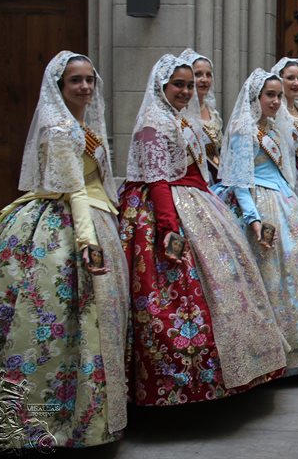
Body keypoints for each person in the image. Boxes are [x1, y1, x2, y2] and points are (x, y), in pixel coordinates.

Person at [0, 52, 129, 448]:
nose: (84, 87)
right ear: (59, 87)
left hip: (91, 215)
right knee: (49, 316)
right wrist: (87, 243)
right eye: (75, 81)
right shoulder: (60, 129)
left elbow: (98, 182)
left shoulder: (84, 126)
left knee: (90, 324)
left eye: (89, 80)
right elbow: (75, 189)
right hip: (61, 224)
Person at [118, 54, 286, 406]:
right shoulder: (153, 122)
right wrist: (167, 226)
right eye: (178, 85)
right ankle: (180, 384)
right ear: (161, 86)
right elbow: (158, 179)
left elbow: (200, 171)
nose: (185, 91)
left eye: (189, 85)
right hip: (164, 208)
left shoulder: (181, 119)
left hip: (196, 201)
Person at [218, 69, 298, 377]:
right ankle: (266, 356)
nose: (276, 101)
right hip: (259, 205)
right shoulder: (243, 128)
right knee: (267, 278)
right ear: (256, 96)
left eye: (279, 95)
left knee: (292, 279)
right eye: (270, 95)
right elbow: (240, 181)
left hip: (283, 203)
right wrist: (253, 217)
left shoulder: (276, 128)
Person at [182, 49, 222, 182]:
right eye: (198, 74)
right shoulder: (180, 112)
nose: (204, 79)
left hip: (213, 177)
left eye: (208, 74)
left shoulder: (213, 113)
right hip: (188, 178)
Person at [271, 57, 298, 181]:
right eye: (290, 78)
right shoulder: (274, 110)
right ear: (280, 80)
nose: (296, 83)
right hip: (284, 173)